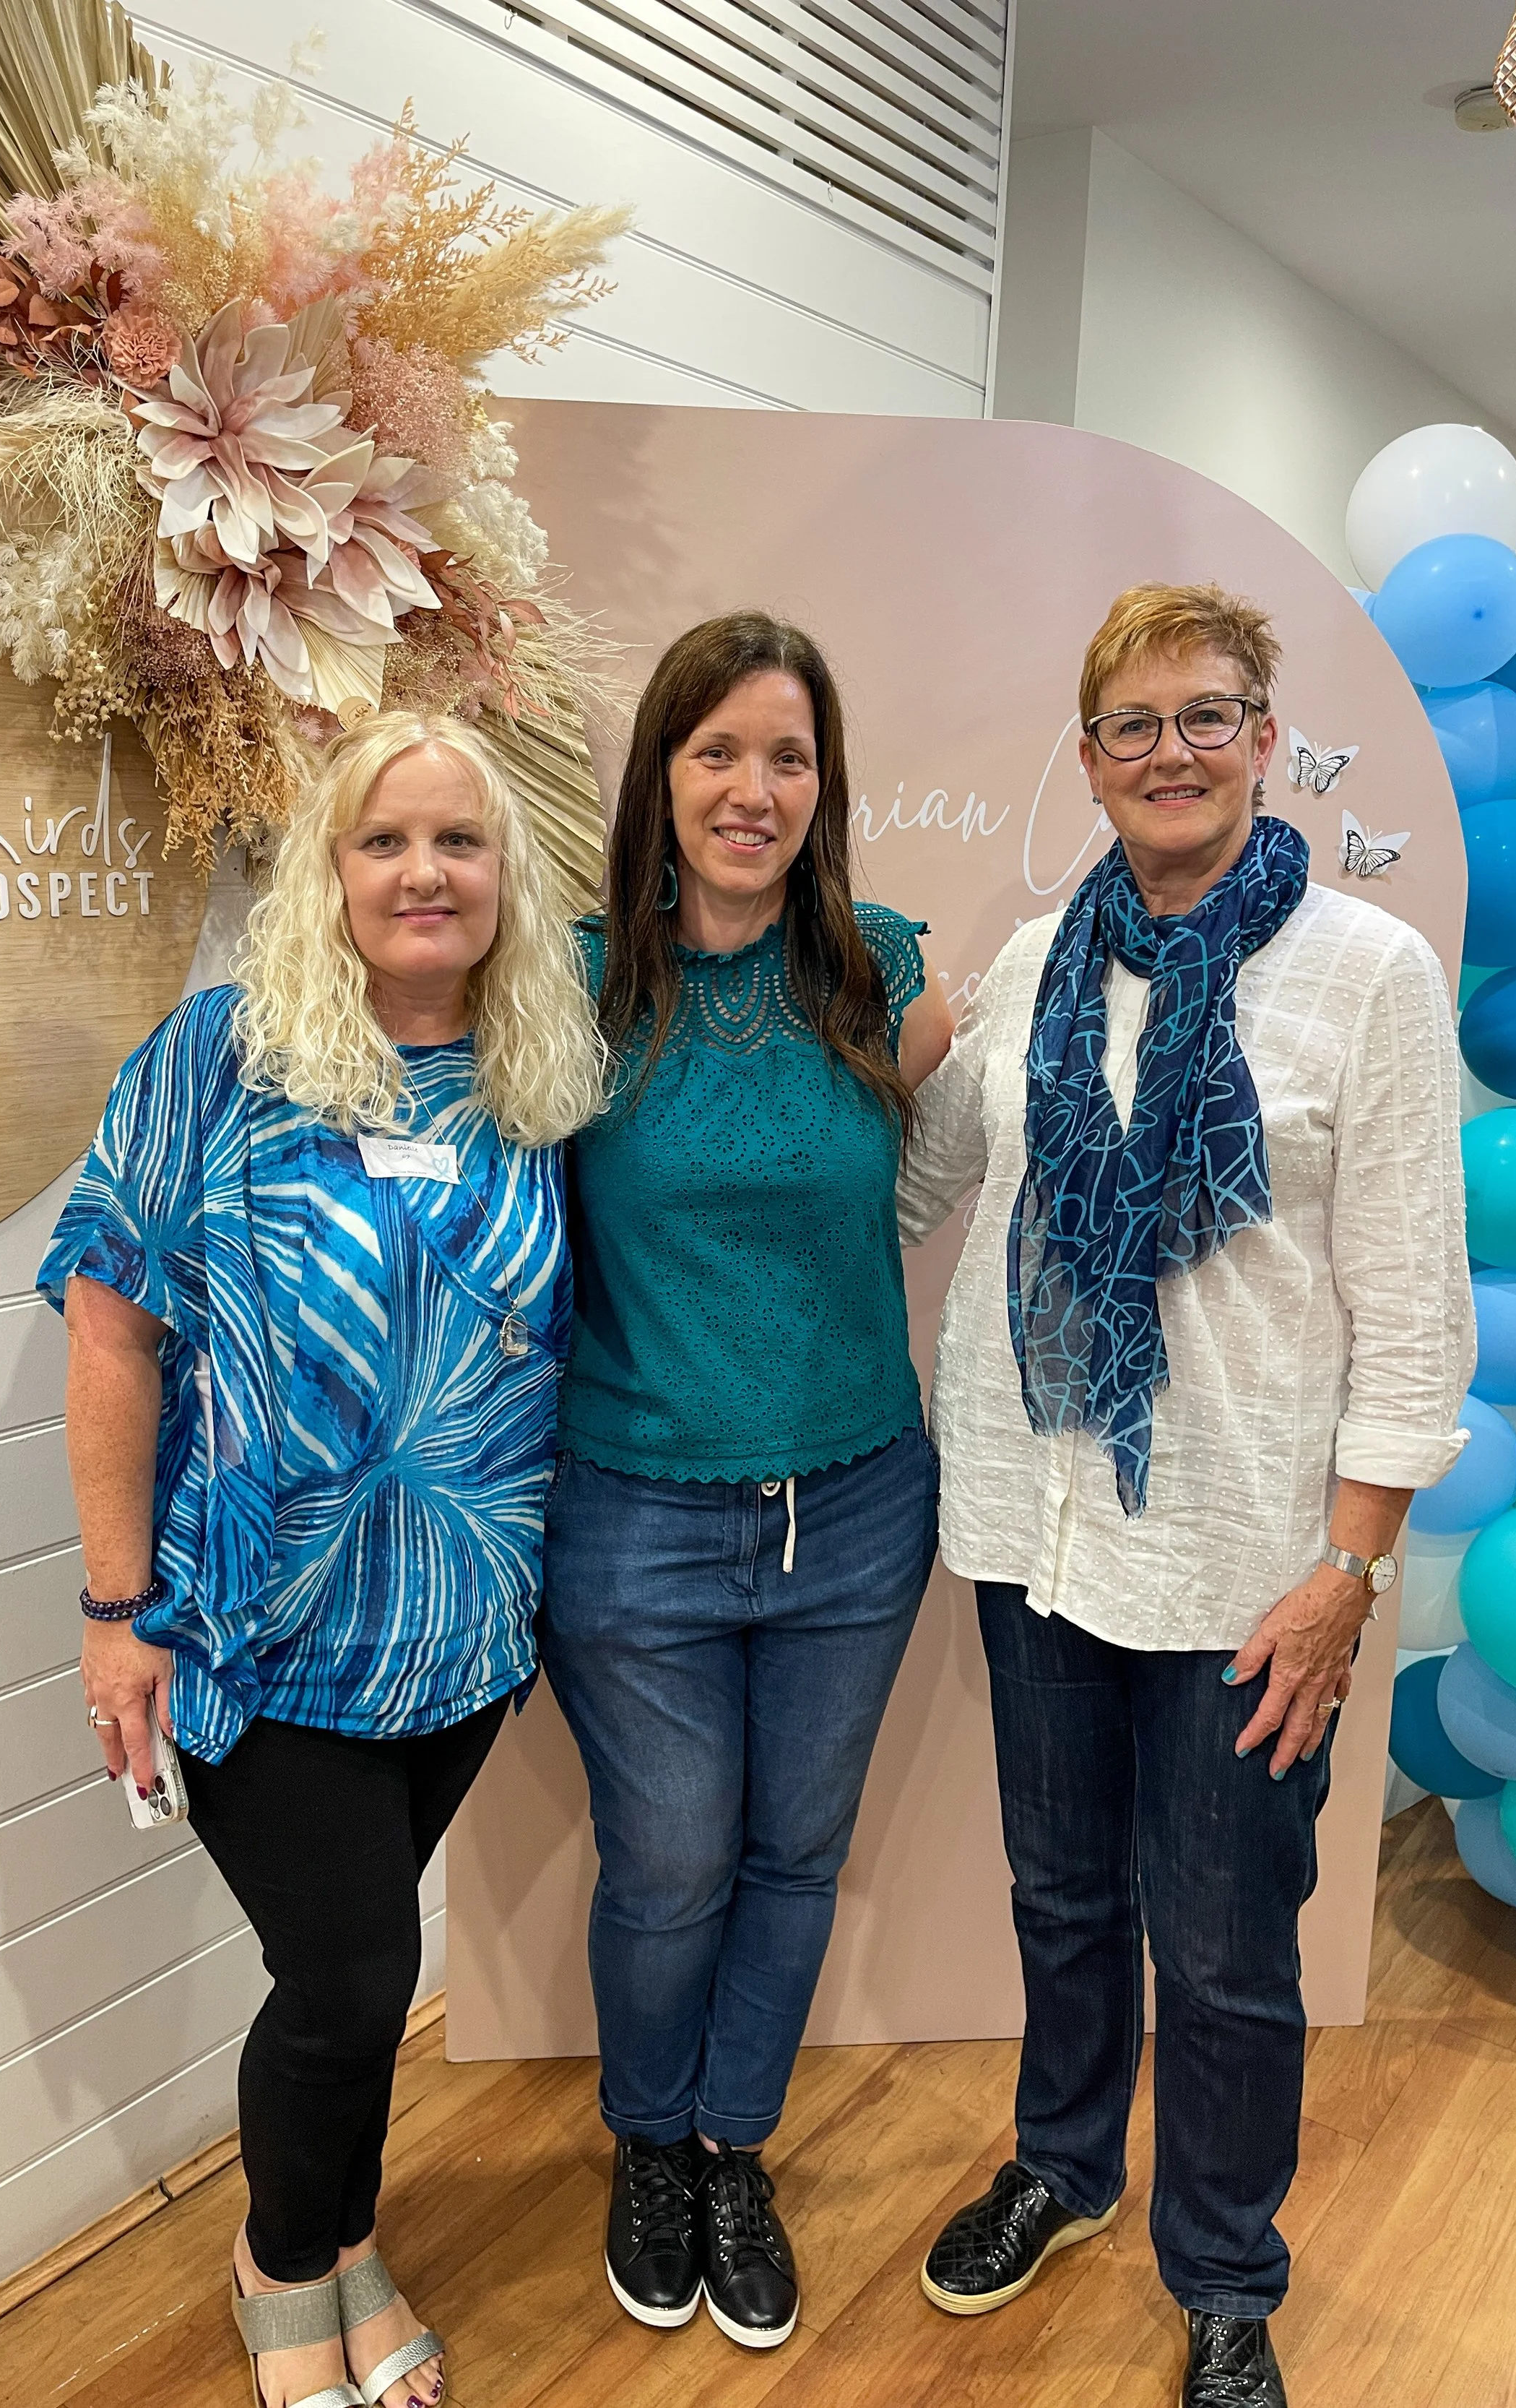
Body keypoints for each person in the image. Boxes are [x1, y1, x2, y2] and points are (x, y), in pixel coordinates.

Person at [899, 584, 1473, 2408]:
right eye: (1132, 725)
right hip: (1029, 1523)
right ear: (1085, 759)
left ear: (1264, 739)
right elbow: (923, 1186)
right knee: (1059, 1895)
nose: (1169, 751)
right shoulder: (1028, 956)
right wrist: (810, 1035)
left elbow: (1412, 1306)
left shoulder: (1363, 974)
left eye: (1206, 715)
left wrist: (1347, 1573)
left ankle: (1224, 2273)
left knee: (1224, 1952)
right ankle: (1060, 2167)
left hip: (1243, 1566)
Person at [43, 713, 603, 2408]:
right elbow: (112, 1336)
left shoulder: (541, 1077)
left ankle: (346, 2232)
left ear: (505, 881)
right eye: (385, 841)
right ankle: (285, 2265)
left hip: (462, 1630)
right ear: (329, 871)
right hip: (254, 1628)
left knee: (343, 1982)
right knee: (355, 1973)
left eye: (459, 844)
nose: (424, 873)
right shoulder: (220, 1056)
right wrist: (114, 1607)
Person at [538, 611, 953, 2351]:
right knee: (668, 1867)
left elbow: (928, 1178)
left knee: (796, 1855)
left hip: (858, 1505)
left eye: (786, 756)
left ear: (821, 785)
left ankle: (732, 2145)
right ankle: (647, 2141)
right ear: (661, 773)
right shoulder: (568, 985)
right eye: (717, 750)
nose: (752, 787)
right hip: (633, 1513)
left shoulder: (880, 966)